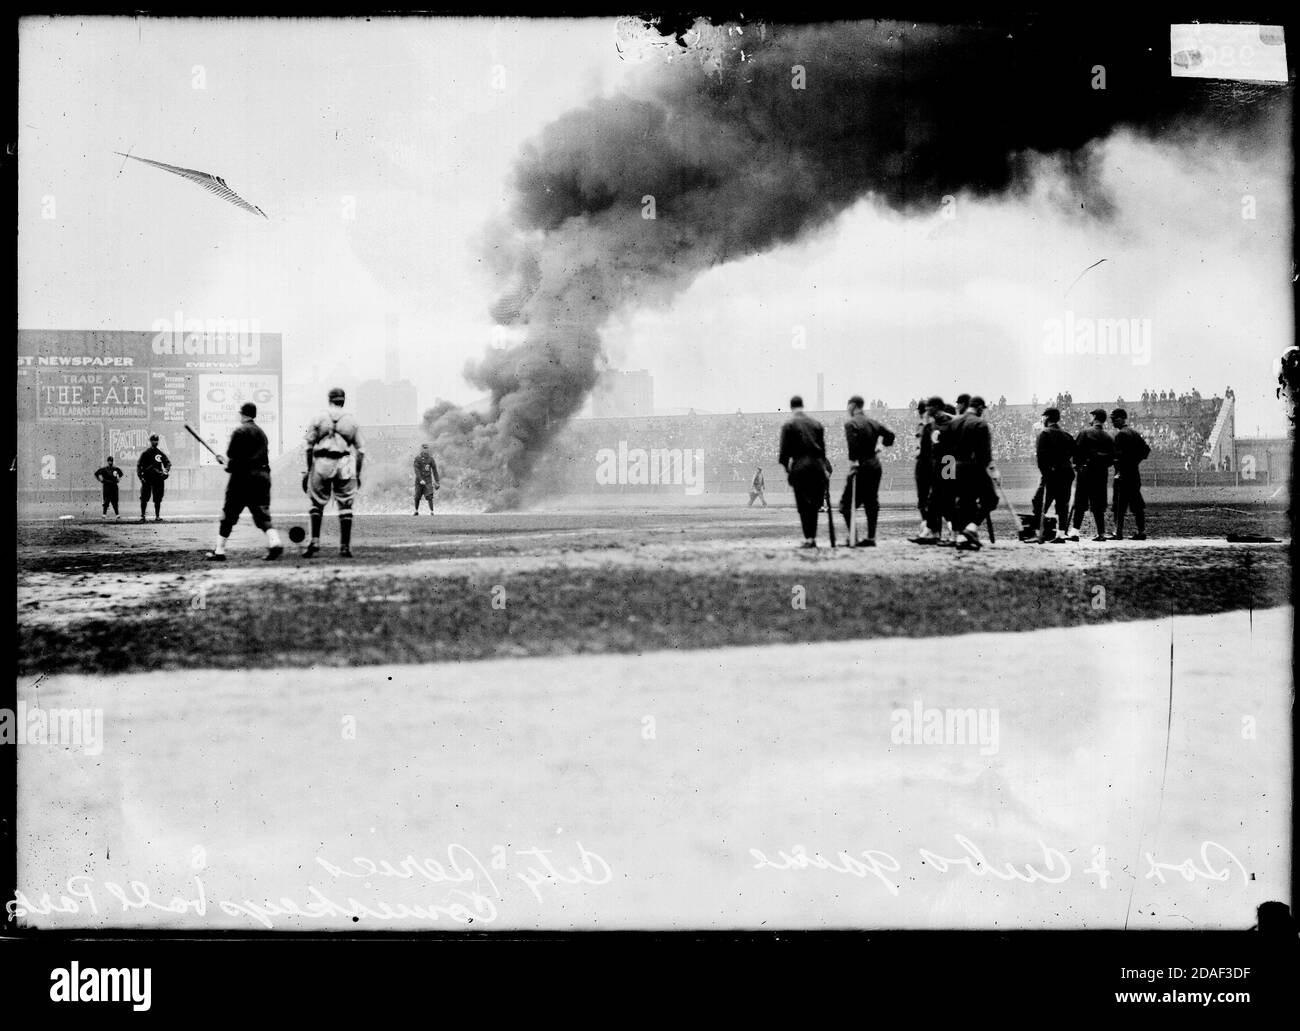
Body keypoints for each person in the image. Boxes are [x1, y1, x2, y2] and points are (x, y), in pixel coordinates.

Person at [206, 402, 283, 561]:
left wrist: (225, 463)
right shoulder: (262, 433)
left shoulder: (239, 431)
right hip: (262, 477)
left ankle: (219, 551)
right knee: (262, 514)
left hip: (242, 478)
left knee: (229, 514)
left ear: (242, 414)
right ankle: (275, 541)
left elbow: (234, 460)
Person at [303, 387, 365, 558]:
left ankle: (314, 542)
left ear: (329, 399)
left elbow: (308, 447)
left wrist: (308, 471)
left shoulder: (319, 417)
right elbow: (361, 451)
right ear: (343, 400)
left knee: (316, 503)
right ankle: (345, 546)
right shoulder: (351, 420)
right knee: (346, 505)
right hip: (345, 462)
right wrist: (357, 474)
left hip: (322, 461)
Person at [840, 394, 894, 546]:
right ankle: (871, 538)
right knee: (871, 502)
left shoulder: (851, 423)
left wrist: (853, 463)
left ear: (853, 405)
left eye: (848, 405)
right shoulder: (873, 422)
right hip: (875, 465)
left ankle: (853, 537)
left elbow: (852, 446)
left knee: (845, 504)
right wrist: (881, 447)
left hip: (861, 466)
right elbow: (890, 435)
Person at [778, 395, 830, 549]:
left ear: (791, 406)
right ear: (803, 405)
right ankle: (812, 538)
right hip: (816, 465)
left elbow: (783, 452)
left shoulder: (788, 424)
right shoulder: (816, 423)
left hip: (800, 465)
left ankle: (808, 538)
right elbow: (823, 451)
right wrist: (824, 469)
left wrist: (788, 469)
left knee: (803, 504)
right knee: (814, 504)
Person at [951, 395, 995, 550]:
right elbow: (985, 454)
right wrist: (990, 472)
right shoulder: (980, 423)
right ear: (980, 408)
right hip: (974, 467)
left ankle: (963, 538)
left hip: (954, 467)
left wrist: (947, 474)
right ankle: (971, 529)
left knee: (965, 503)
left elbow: (946, 451)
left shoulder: (954, 422)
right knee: (991, 499)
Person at [1069, 408, 1114, 541]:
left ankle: (1075, 532)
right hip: (1101, 474)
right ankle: (1101, 533)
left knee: (1080, 503)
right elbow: (1112, 458)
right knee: (1098, 505)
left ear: (1094, 417)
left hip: (1086, 473)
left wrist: (1077, 466)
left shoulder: (1085, 433)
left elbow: (1076, 452)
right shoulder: (1108, 436)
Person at [1034, 407, 1075, 544]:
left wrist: (1046, 475)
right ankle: (1060, 534)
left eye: (1043, 417)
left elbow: (1041, 458)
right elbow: (1073, 455)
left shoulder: (1044, 433)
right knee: (1063, 504)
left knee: (1039, 502)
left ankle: (1039, 532)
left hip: (1051, 473)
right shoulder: (1067, 435)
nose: (1042, 420)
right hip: (1067, 472)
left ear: (1047, 418)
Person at [1110, 408, 1150, 540]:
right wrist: (1134, 461)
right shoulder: (1134, 433)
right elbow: (1146, 451)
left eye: (1114, 418)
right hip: (1134, 474)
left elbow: (1118, 458)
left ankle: (1118, 532)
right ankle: (1141, 531)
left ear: (1122, 418)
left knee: (1119, 505)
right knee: (1137, 504)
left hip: (1122, 475)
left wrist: (1121, 469)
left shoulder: (1121, 435)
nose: (1112, 421)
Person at [136, 434, 170, 522]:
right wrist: (141, 477)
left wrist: (166, 470)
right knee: (144, 498)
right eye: (153, 440)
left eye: (157, 440)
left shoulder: (160, 453)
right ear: (150, 441)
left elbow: (168, 463)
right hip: (147, 478)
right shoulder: (146, 453)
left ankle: (157, 516)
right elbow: (139, 466)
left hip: (158, 479)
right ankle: (143, 516)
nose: (155, 442)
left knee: (158, 498)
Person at [913, 399, 935, 537]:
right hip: (941, 462)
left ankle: (928, 526)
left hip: (927, 463)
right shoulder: (935, 424)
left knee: (924, 498)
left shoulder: (924, 426)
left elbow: (918, 450)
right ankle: (937, 531)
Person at [413, 443, 441, 515]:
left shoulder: (431, 459)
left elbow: (435, 471)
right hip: (419, 481)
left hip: (428, 480)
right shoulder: (417, 458)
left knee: (429, 496)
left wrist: (437, 481)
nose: (425, 450)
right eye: (424, 448)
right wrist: (420, 479)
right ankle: (416, 511)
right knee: (417, 497)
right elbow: (416, 470)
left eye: (426, 448)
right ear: (422, 449)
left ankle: (432, 512)